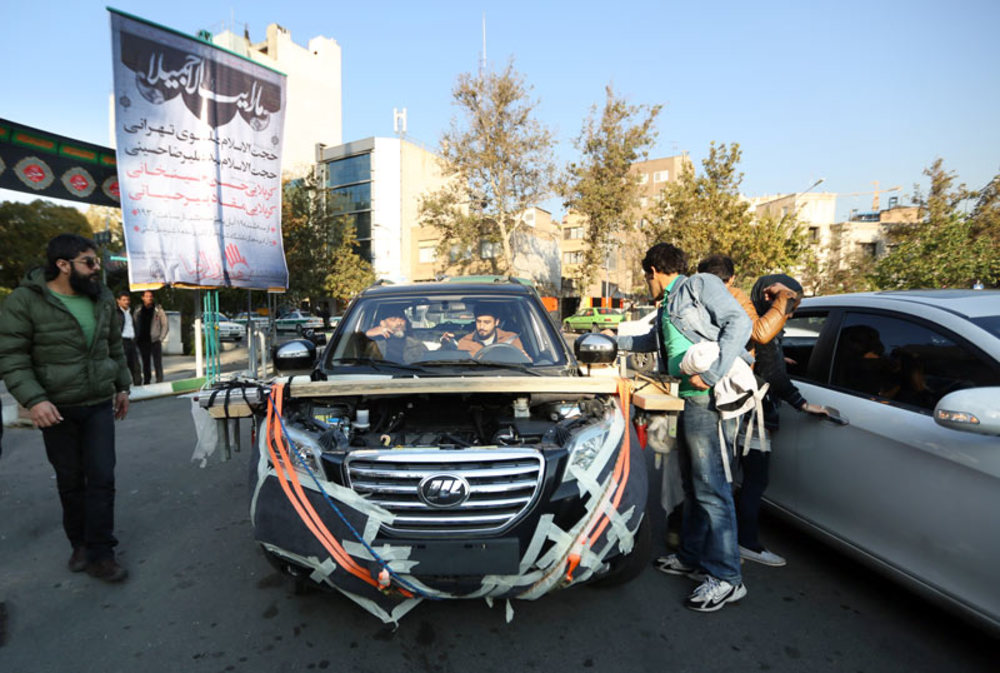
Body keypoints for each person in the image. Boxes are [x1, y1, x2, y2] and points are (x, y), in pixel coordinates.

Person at [617, 242, 752, 612]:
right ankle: (691, 557)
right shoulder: (668, 305)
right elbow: (652, 342)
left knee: (713, 487)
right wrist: (609, 340)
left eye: (647, 277)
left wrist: (712, 373)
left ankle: (727, 578)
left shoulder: (699, 285)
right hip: (690, 399)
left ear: (655, 272)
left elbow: (740, 323)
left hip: (710, 398)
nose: (648, 284)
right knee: (693, 485)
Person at [0, 233, 132, 582]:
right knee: (71, 481)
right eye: (89, 262)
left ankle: (103, 553)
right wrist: (34, 399)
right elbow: (12, 356)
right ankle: (81, 545)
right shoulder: (25, 301)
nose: (96, 269)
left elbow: (113, 347)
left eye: (97, 262)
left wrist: (122, 387)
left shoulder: (101, 298)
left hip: (99, 404)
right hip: (55, 409)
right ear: (62, 265)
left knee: (102, 478)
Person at [737, 274, 828, 567]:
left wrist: (778, 358)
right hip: (756, 415)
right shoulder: (765, 326)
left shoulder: (749, 319)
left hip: (742, 411)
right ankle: (746, 543)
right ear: (771, 297)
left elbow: (767, 360)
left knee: (737, 480)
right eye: (792, 303)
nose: (794, 311)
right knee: (755, 481)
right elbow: (773, 375)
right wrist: (802, 403)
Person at [442, 304, 527, 357]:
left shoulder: (511, 339)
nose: (482, 326)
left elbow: (524, 363)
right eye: (478, 322)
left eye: (487, 322)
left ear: (496, 322)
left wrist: (524, 358)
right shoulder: (464, 342)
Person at [363, 311, 427, 363]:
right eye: (393, 319)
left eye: (401, 319)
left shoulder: (416, 345)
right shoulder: (373, 344)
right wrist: (366, 334)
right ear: (382, 323)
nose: (399, 323)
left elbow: (426, 365)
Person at [133, 290, 168, 384]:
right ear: (143, 298)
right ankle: (147, 380)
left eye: (150, 296)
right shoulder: (138, 310)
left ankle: (159, 379)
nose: (149, 298)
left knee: (157, 362)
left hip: (155, 339)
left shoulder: (158, 309)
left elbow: (165, 324)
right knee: (145, 362)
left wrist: (161, 338)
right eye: (147, 296)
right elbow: (134, 323)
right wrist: (136, 337)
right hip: (142, 340)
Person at [116, 291, 142, 386]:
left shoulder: (131, 312)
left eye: (128, 300)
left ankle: (138, 386)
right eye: (124, 300)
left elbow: (135, 326)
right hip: (122, 342)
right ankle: (122, 388)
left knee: (136, 366)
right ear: (118, 301)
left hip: (132, 342)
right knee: (122, 366)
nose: (126, 302)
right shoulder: (116, 313)